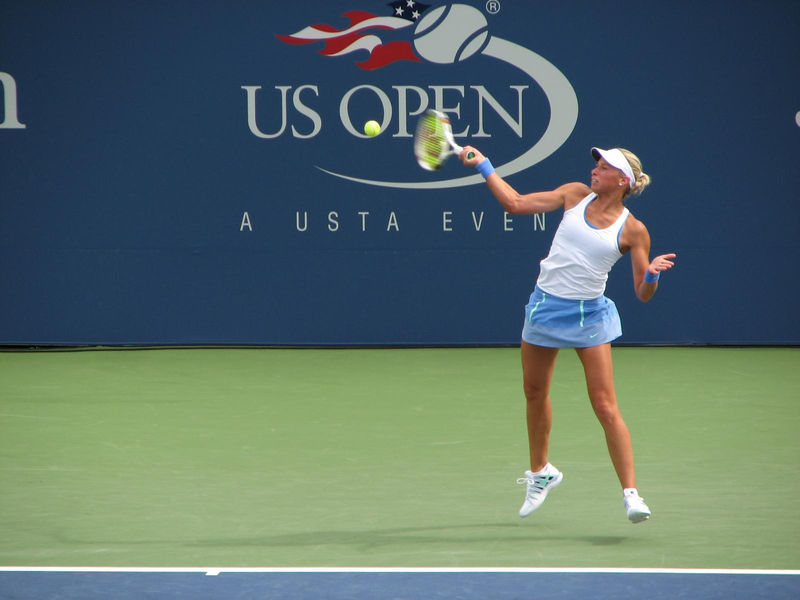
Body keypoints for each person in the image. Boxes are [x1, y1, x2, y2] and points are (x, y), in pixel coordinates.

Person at [459, 145, 675, 524]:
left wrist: (652, 274)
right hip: (546, 307)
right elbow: (515, 203)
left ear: (622, 180)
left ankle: (632, 495)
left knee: (605, 406)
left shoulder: (633, 230)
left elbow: (643, 293)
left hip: (589, 316)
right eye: (596, 163)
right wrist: (484, 165)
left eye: (604, 167)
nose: (595, 170)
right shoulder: (575, 194)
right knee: (534, 392)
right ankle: (541, 472)